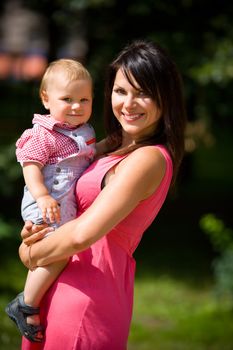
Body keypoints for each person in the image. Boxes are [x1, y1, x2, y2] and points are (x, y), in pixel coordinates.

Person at [17, 39, 186, 349]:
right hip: (60, 283)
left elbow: (82, 234)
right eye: (121, 91)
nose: (128, 104)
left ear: (166, 99)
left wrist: (29, 253)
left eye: (143, 93)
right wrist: (36, 231)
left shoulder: (148, 159)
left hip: (87, 299)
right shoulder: (114, 145)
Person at [5, 58, 97, 342]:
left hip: (63, 205)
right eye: (67, 99)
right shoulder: (43, 133)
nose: (76, 106)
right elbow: (30, 166)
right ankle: (26, 303)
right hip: (45, 201)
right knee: (57, 253)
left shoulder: (84, 132)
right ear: (46, 98)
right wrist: (42, 196)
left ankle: (35, 298)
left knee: (59, 254)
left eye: (84, 99)